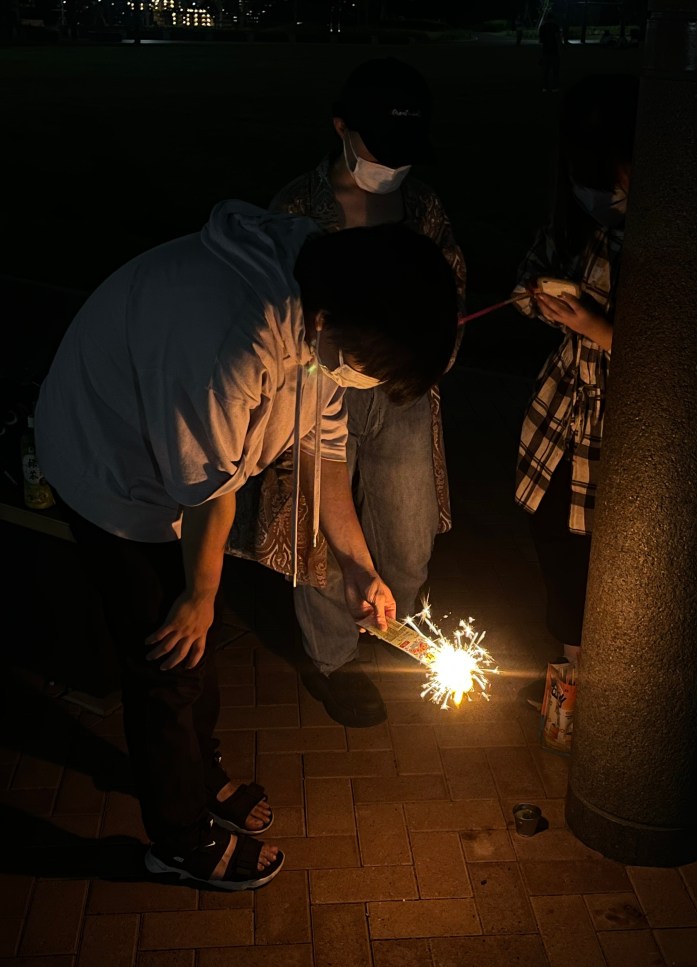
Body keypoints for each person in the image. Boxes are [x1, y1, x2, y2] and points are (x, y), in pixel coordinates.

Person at [34, 203, 458, 890]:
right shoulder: (230, 338)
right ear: (327, 326)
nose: (363, 384)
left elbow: (322, 451)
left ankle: (197, 773)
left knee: (198, 634)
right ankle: (178, 840)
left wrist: (357, 565)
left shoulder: (327, 310)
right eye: (367, 370)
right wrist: (198, 593)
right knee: (168, 655)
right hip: (109, 469)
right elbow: (208, 492)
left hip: (182, 471)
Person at [228, 57, 466, 728]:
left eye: (403, 152)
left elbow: (449, 296)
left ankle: (395, 621)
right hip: (314, 386)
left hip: (400, 393)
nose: (391, 166)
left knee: (409, 529)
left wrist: (425, 357)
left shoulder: (421, 207)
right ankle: (333, 657)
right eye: (379, 147)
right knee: (320, 527)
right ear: (340, 128)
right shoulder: (297, 208)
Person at [510, 74, 639, 666]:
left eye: (608, 174)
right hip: (559, 417)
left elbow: (680, 356)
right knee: (556, 543)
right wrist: (534, 297)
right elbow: (529, 272)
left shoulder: (665, 239)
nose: (596, 191)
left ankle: (602, 694)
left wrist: (596, 327)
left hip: (619, 432)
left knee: (608, 565)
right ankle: (569, 685)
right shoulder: (575, 222)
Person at [538, 12, 563, 93]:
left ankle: (545, 87)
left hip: (545, 51)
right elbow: (558, 39)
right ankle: (554, 87)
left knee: (546, 71)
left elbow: (541, 42)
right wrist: (560, 49)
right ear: (552, 19)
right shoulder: (555, 26)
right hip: (554, 51)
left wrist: (541, 55)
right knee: (555, 70)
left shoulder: (542, 27)